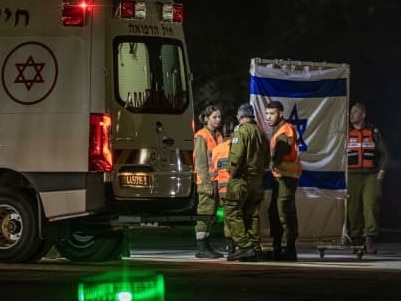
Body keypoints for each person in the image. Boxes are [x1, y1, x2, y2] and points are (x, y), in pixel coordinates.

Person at [224, 103, 270, 261]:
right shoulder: (261, 133)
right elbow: (266, 160)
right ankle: (255, 247)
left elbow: (235, 158)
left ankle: (244, 246)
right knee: (252, 214)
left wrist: (232, 174)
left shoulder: (241, 131)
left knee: (231, 210)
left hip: (241, 179)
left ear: (239, 117)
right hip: (257, 180)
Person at [347, 102, 388, 254]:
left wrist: (382, 170)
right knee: (353, 208)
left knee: (370, 207)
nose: (352, 115)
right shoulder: (346, 133)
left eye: (355, 112)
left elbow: (384, 153)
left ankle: (369, 239)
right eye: (351, 112)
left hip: (370, 175)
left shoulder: (373, 132)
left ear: (363, 115)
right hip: (352, 176)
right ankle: (356, 240)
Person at [265, 100, 301, 261]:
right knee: (275, 212)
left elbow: (281, 150)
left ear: (280, 114)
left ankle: (290, 249)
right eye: (267, 113)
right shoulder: (278, 130)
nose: (268, 117)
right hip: (280, 178)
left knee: (285, 214)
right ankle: (278, 247)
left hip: (286, 179)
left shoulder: (285, 130)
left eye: (272, 113)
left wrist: (274, 161)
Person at [193, 105, 224, 258]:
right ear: (206, 119)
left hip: (217, 181)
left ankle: (206, 245)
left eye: (219, 117)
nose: (218, 120)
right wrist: (205, 183)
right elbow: (200, 162)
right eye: (214, 117)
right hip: (207, 182)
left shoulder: (218, 135)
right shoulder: (201, 136)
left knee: (211, 215)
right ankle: (201, 247)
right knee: (205, 214)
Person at [211, 124, 235, 256]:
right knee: (238, 217)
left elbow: (214, 169)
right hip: (235, 188)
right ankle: (240, 245)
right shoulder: (236, 146)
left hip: (222, 190)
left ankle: (230, 245)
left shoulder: (216, 149)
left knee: (227, 218)